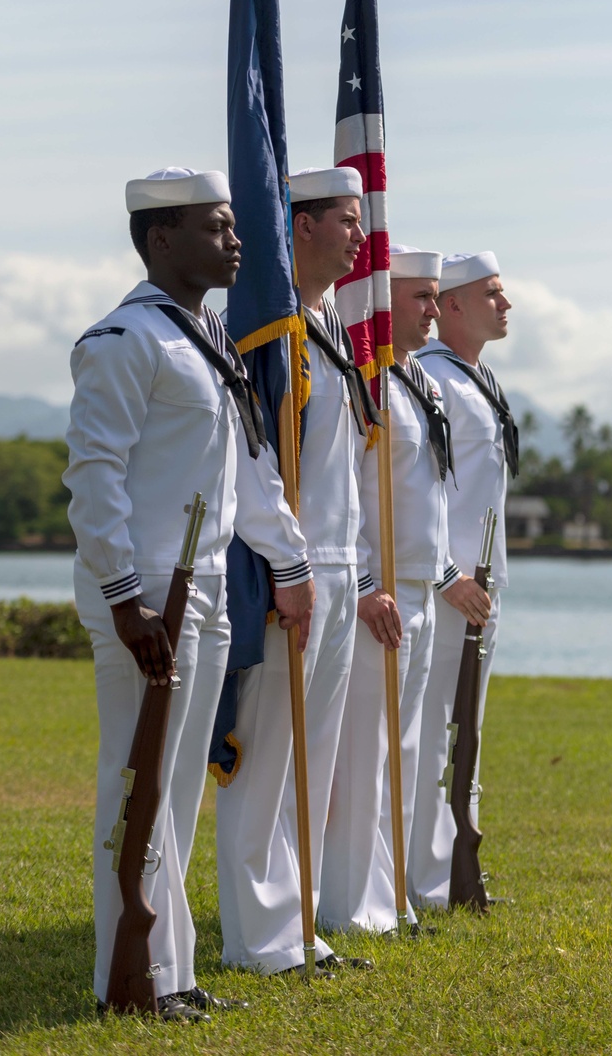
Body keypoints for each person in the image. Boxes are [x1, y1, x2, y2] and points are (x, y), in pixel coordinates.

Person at [64, 167, 313, 1022]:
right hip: (146, 595)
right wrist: (125, 597)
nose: (237, 240)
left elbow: (246, 471)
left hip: (204, 587)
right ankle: (123, 979)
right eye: (216, 227)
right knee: (135, 786)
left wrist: (290, 562)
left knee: (175, 789)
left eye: (234, 226)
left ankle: (168, 973)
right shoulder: (126, 340)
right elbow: (93, 477)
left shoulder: (205, 340)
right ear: (161, 239)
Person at [216, 166, 376, 977]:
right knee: (269, 755)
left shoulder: (329, 328)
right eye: (344, 220)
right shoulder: (268, 329)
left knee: (313, 755)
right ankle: (256, 935)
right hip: (293, 570)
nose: (360, 234)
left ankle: (299, 921)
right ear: (300, 225)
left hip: (341, 569)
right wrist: (290, 563)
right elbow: (255, 465)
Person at [319, 246, 490, 932]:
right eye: (418, 297)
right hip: (380, 595)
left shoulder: (419, 382)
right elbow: (345, 497)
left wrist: (445, 575)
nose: (428, 309)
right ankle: (353, 903)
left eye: (429, 297)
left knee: (410, 753)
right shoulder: (368, 383)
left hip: (420, 588)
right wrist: (363, 583)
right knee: (366, 756)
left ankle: (398, 890)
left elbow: (428, 501)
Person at [409, 250, 516, 910]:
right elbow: (417, 488)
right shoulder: (430, 378)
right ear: (450, 304)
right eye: (492, 294)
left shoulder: (478, 379)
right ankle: (423, 879)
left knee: (465, 733)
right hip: (446, 585)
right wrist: (445, 574)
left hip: (485, 581)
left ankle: (457, 873)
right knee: (431, 736)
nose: (506, 305)